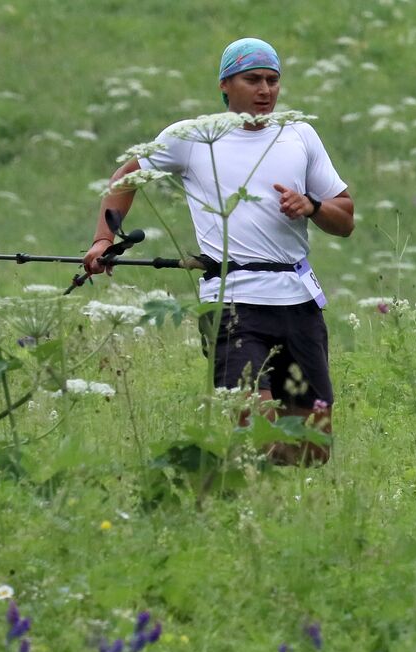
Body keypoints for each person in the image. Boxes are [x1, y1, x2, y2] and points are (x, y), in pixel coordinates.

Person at [83, 38, 354, 465]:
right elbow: (126, 177)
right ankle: (250, 500)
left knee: (312, 451)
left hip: (298, 304)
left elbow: (346, 219)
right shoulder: (192, 138)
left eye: (273, 80)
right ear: (225, 85)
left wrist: (313, 206)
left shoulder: (300, 135)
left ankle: (284, 516)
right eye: (253, 80)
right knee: (255, 435)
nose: (265, 90)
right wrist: (103, 240)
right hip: (233, 304)